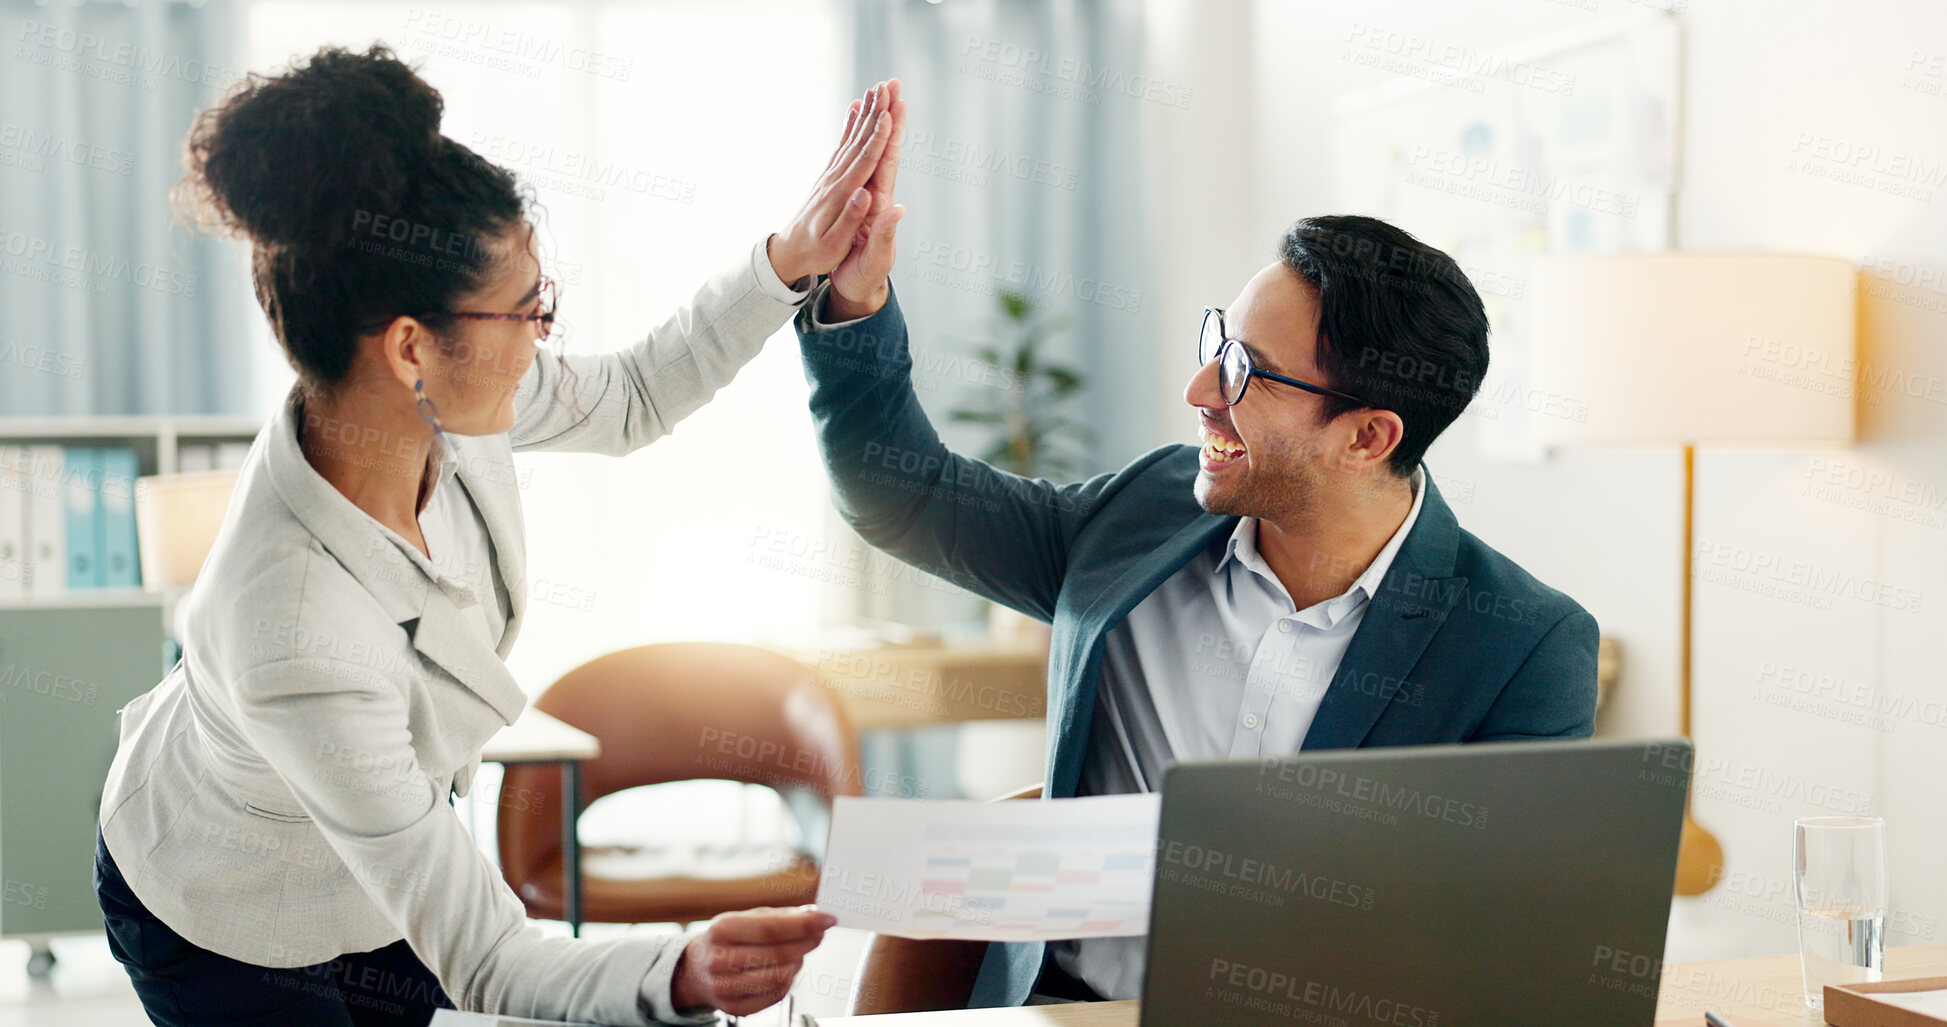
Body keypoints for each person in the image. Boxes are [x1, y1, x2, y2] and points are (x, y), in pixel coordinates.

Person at [94, 45, 905, 1026]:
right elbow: (486, 955)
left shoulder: (448, 404)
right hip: (223, 908)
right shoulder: (289, 623)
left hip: (378, 866)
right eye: (528, 312)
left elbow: (634, 395)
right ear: (409, 347)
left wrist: (791, 259)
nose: (544, 336)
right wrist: (679, 972)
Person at [794, 111, 1598, 1008]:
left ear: (1368, 436)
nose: (1199, 391)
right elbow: (900, 494)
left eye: (1245, 372)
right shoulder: (1141, 515)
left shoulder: (1524, 644)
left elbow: (1502, 946)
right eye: (1218, 343)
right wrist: (853, 303)